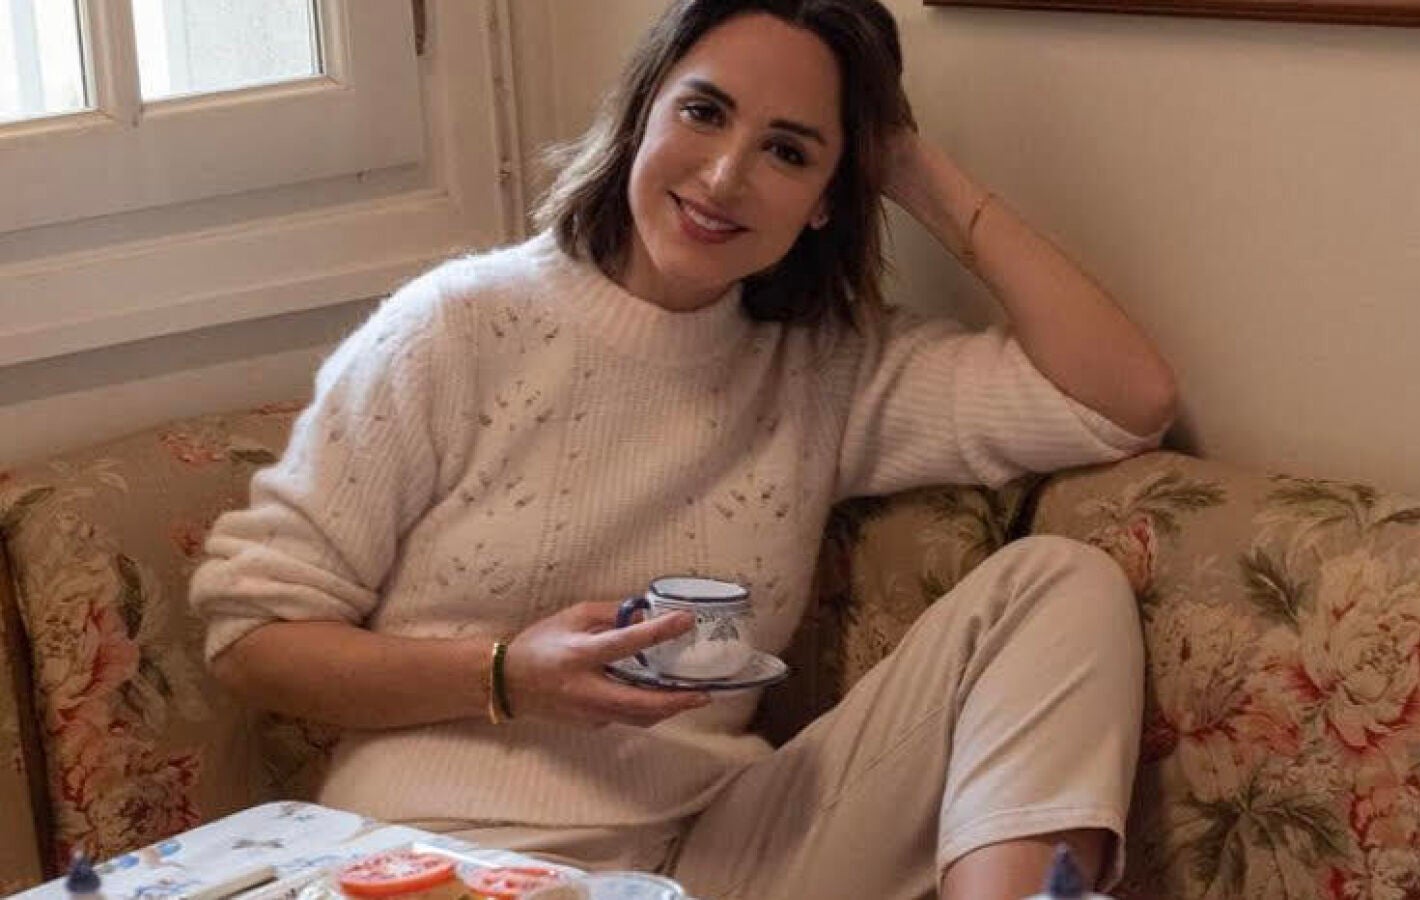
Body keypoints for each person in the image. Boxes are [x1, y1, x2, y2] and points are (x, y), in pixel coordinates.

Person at [190, 1, 1177, 897]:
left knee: (1060, 587)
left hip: (716, 852)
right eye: (704, 113)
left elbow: (1122, 399)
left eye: (788, 152)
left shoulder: (826, 368)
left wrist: (913, 170)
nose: (723, 176)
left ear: (830, 196)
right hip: (447, 855)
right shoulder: (454, 329)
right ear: (643, 112)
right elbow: (253, 637)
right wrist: (502, 675)